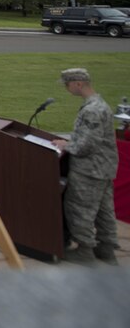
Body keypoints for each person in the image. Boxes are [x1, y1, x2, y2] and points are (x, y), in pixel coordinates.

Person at [51, 68, 120, 266]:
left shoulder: (92, 110)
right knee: (103, 210)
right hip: (103, 167)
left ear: (78, 84)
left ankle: (85, 252)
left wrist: (66, 145)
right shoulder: (99, 104)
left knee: (80, 208)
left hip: (90, 169)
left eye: (68, 84)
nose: (67, 88)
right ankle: (107, 250)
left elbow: (87, 145)